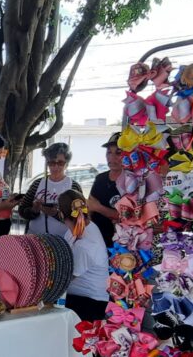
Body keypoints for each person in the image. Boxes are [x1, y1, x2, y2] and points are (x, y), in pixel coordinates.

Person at [58, 190, 110, 322]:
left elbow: (64, 279)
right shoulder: (83, 226)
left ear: (61, 214)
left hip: (90, 303)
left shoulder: (84, 245)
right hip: (78, 298)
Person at [19, 142, 82, 237]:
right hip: (34, 237)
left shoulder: (73, 186)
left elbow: (80, 217)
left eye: (60, 163)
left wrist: (56, 214)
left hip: (62, 240)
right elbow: (22, 210)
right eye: (52, 163)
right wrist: (34, 210)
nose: (56, 167)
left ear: (66, 164)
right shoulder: (37, 184)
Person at [88, 133, 123, 248]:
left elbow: (128, 217)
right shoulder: (100, 178)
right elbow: (89, 207)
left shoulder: (132, 181)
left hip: (120, 245)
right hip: (97, 241)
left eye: (118, 152)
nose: (112, 158)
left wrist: (99, 208)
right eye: (109, 152)